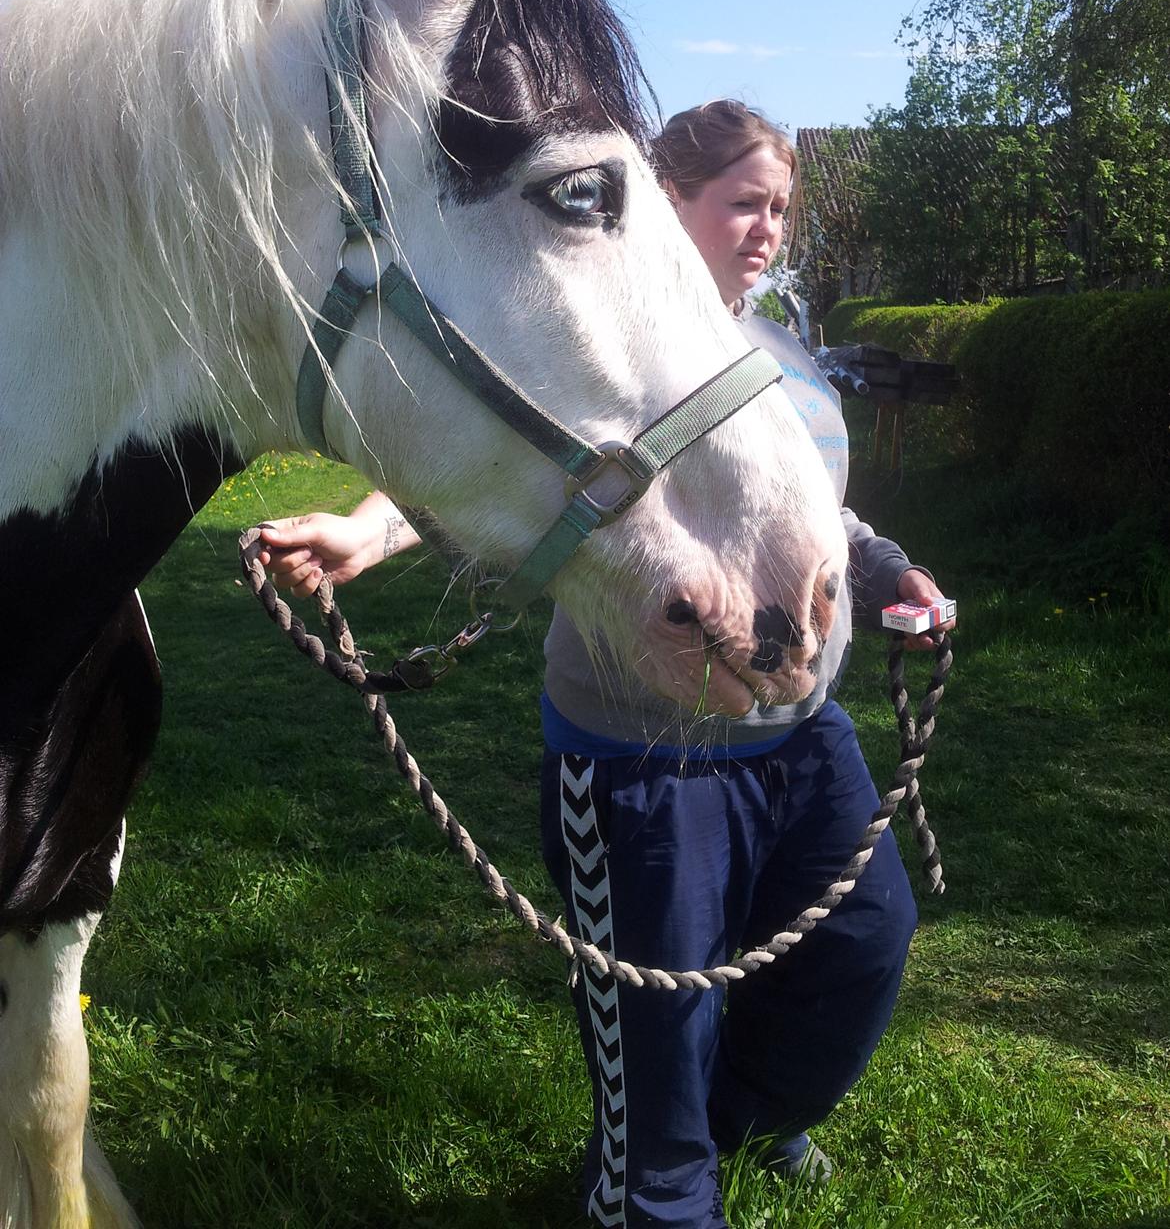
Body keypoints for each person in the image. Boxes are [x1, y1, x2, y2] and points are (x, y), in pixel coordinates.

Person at [260, 100, 954, 1229]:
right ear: (666, 201)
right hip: (646, 747)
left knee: (866, 940)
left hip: (804, 727)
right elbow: (497, 458)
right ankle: (653, 1194)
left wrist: (887, 575)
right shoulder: (601, 349)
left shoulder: (777, 353)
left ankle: (745, 1117)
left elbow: (818, 508)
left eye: (779, 207)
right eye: (743, 202)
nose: (768, 228)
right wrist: (367, 531)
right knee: (657, 1022)